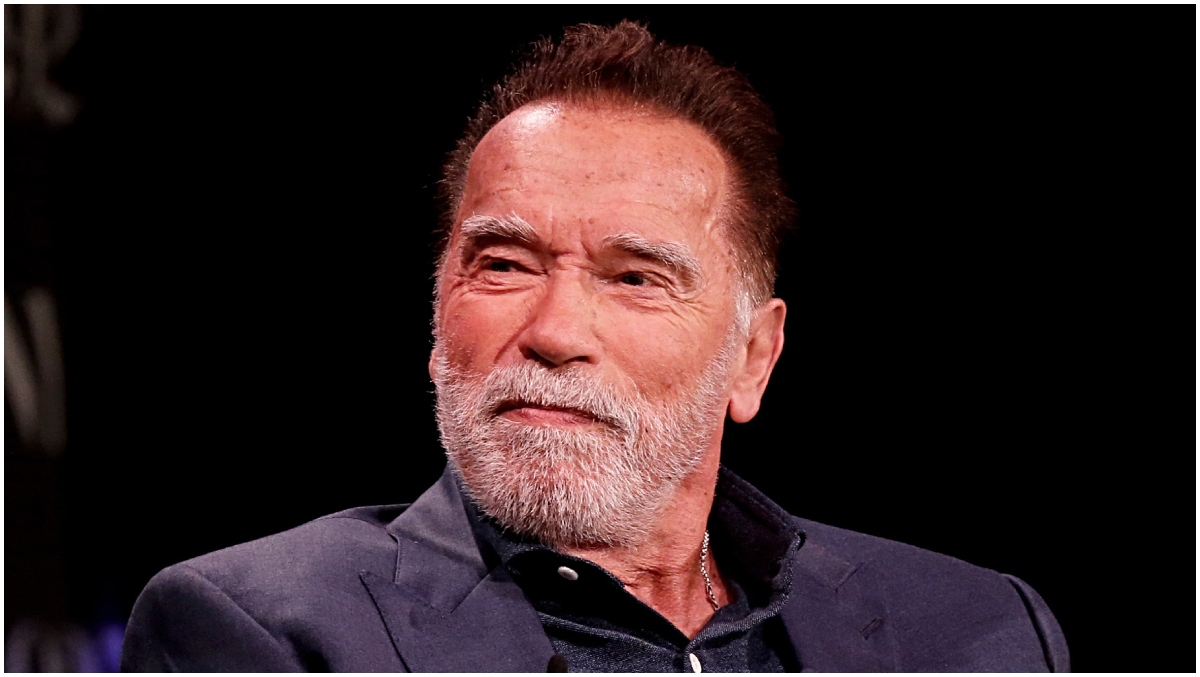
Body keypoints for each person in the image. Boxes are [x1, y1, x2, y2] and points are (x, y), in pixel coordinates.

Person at [121, 22, 1068, 672]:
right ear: (438, 314)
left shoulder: (981, 632)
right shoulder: (266, 630)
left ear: (753, 357)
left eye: (635, 277)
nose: (554, 332)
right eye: (502, 265)